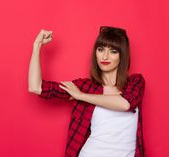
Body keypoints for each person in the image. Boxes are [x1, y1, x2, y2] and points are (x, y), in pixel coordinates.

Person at [28, 26, 146, 157]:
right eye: (100, 49)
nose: (105, 56)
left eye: (113, 51)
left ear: (122, 56)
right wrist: (37, 46)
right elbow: (36, 87)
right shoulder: (85, 86)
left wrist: (81, 96)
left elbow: (125, 104)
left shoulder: (135, 82)